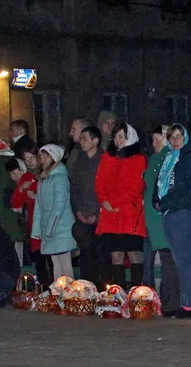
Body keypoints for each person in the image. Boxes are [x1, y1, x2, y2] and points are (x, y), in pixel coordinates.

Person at [155, 124, 191, 319]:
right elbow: (160, 183)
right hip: (169, 212)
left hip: (181, 211)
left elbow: (182, 187)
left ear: (185, 138)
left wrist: (164, 202)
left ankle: (188, 305)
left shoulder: (189, 158)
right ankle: (183, 303)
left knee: (183, 259)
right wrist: (156, 200)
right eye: (171, 137)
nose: (175, 141)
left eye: (178, 136)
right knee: (177, 258)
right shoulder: (169, 158)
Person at [94, 121, 147, 288]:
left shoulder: (139, 159)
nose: (117, 140)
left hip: (130, 214)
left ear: (129, 137)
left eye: (121, 137)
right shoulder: (107, 157)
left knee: (134, 255)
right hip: (111, 215)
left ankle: (136, 294)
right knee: (116, 256)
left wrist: (113, 202)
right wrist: (104, 201)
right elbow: (100, 181)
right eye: (115, 137)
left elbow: (137, 187)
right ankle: (120, 294)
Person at [143, 126, 177, 311]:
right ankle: (148, 300)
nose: (154, 143)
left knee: (167, 260)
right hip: (150, 216)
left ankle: (167, 302)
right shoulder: (153, 159)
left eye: (158, 139)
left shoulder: (168, 157)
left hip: (160, 216)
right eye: (153, 140)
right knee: (149, 261)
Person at [7, 143, 51, 285]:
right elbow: (15, 202)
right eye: (26, 159)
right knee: (39, 260)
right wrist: (21, 189)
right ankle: (44, 289)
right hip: (34, 224)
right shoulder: (26, 177)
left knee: (52, 260)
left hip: (49, 223)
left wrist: (35, 196)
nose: (30, 161)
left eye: (32, 157)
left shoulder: (48, 172)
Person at [31, 144, 77, 280]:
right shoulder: (43, 180)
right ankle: (59, 290)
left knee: (64, 261)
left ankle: (69, 291)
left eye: (46, 156)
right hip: (50, 228)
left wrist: (49, 228)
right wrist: (37, 230)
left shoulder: (60, 178)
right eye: (41, 157)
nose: (42, 159)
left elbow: (59, 205)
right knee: (55, 262)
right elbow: (38, 207)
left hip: (61, 227)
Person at [70, 126, 105, 284]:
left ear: (95, 140)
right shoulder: (79, 161)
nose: (81, 142)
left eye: (84, 138)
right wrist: (78, 211)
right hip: (83, 215)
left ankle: (102, 290)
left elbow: (106, 189)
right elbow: (74, 188)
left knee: (101, 255)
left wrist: (97, 214)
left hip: (101, 216)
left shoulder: (104, 160)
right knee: (86, 255)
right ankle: (86, 289)